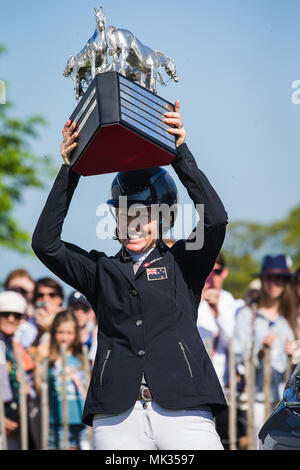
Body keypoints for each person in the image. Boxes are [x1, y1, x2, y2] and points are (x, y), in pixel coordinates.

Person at [31, 100, 228, 450]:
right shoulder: (100, 270)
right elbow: (45, 244)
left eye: (144, 215)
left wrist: (179, 151)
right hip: (116, 417)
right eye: (124, 215)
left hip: (184, 410)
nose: (133, 223)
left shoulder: (185, 262)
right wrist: (72, 169)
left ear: (164, 217)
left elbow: (215, 219)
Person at [233, 254, 299, 446]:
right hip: (258, 399)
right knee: (258, 445)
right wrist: (260, 352)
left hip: (286, 404)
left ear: (286, 283)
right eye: (269, 278)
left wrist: (293, 355)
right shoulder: (247, 316)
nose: (274, 283)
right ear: (262, 280)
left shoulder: (292, 318)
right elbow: (238, 358)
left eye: (279, 279)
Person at [196, 252, 239, 448]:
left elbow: (236, 344)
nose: (212, 277)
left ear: (225, 273)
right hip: (197, 389)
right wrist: (201, 302)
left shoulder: (234, 304)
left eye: (217, 271)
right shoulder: (191, 300)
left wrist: (218, 312)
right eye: (208, 271)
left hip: (227, 390)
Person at [34, 310, 90, 450]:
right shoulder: (50, 359)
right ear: (53, 333)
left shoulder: (82, 359)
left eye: (69, 333)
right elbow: (40, 391)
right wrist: (38, 364)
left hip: (80, 422)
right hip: (56, 422)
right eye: (60, 332)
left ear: (76, 334)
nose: (65, 337)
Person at [0, 291, 34, 450]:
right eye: (5, 314)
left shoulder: (14, 347)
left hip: (13, 426)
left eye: (17, 315)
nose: (11, 319)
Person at [30, 277, 64, 348]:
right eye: (40, 295)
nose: (45, 299)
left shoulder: (69, 319)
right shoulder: (28, 321)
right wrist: (39, 334)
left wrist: (52, 329)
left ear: (60, 299)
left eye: (52, 295)